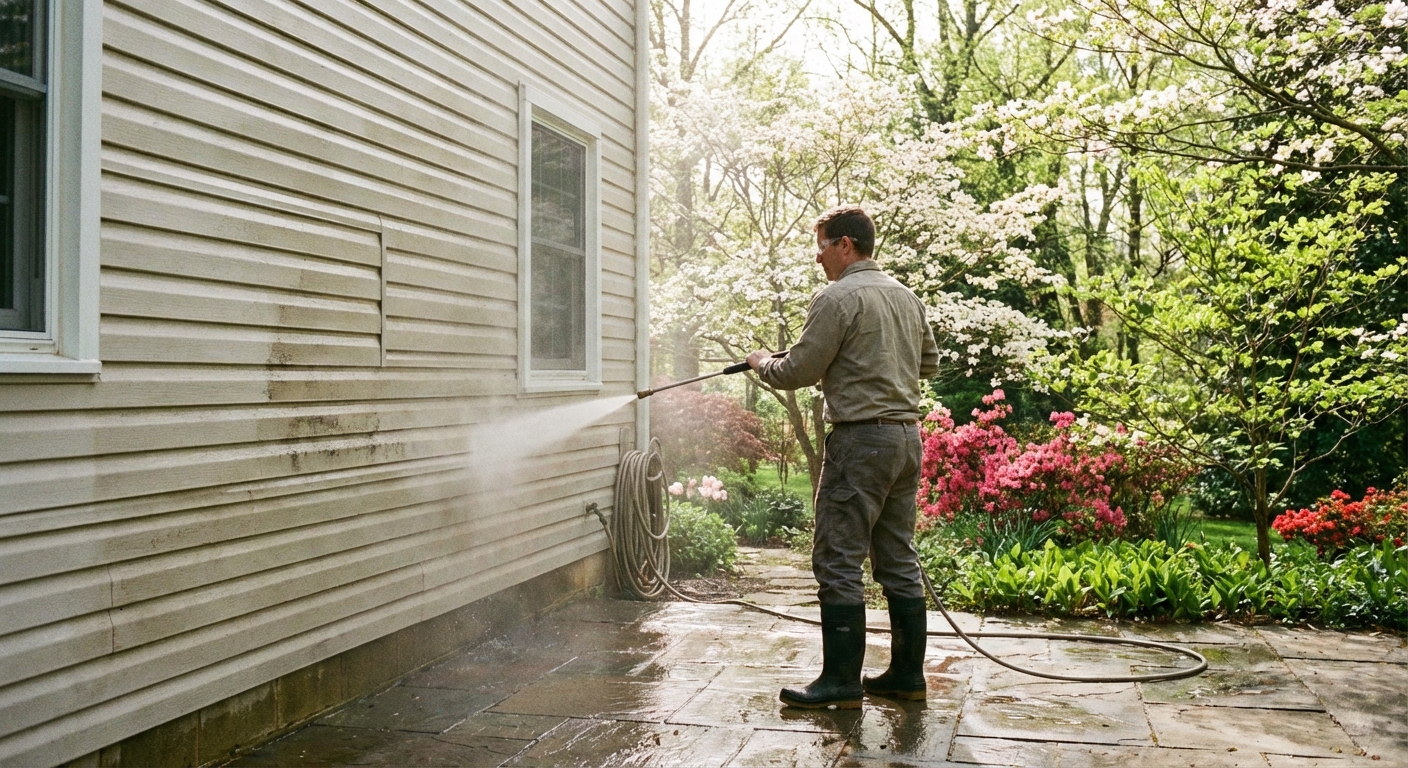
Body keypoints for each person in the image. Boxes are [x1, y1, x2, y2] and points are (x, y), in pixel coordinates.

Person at [747, 205, 940, 709]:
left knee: (837, 558)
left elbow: (798, 371)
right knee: (897, 557)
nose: (818, 257)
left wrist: (761, 363)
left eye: (823, 244)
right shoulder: (906, 296)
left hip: (859, 442)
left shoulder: (837, 298)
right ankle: (906, 676)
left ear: (847, 245)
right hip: (905, 439)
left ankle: (840, 683)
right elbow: (929, 363)